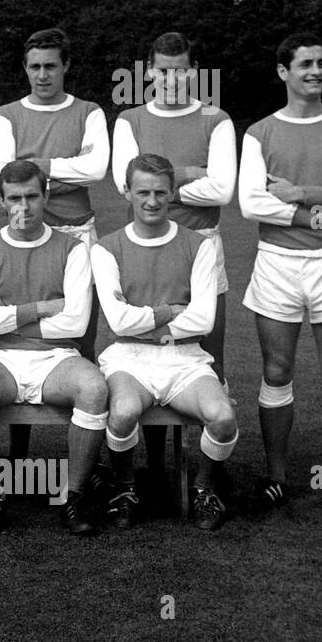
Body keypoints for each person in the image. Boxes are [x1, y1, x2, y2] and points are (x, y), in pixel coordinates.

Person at [238, 32, 322, 515]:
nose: (315, 71)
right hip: (277, 263)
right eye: (305, 64)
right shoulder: (259, 133)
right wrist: (316, 210)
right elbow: (251, 202)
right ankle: (275, 477)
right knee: (277, 371)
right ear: (283, 72)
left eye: (321, 63)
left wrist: (298, 193)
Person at [112, 32, 236, 493]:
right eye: (162, 70)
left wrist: (160, 182)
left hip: (202, 242)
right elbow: (126, 184)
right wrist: (190, 174)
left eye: (181, 69)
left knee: (207, 354)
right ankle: (156, 467)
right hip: (145, 245)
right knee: (148, 346)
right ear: (149, 71)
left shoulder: (215, 118)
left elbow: (223, 189)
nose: (171, 79)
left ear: (195, 69)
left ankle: (209, 468)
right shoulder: (129, 119)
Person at [0, 160, 108, 536]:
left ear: (46, 195)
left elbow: (74, 323)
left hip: (57, 357)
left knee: (93, 388)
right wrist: (42, 307)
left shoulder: (74, 250)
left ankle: (72, 495)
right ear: (0, 201)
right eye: (14, 199)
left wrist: (7, 312)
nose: (23, 208)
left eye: (31, 197)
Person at [94, 154, 237, 530]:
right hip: (127, 356)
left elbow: (203, 319)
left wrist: (142, 319)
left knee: (222, 417)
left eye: (160, 192)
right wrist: (171, 312)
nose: (152, 201)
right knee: (123, 412)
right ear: (127, 192)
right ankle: (124, 487)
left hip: (186, 357)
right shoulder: (106, 247)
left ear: (173, 193)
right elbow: (117, 321)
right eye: (142, 192)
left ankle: (205, 490)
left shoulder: (198, 245)